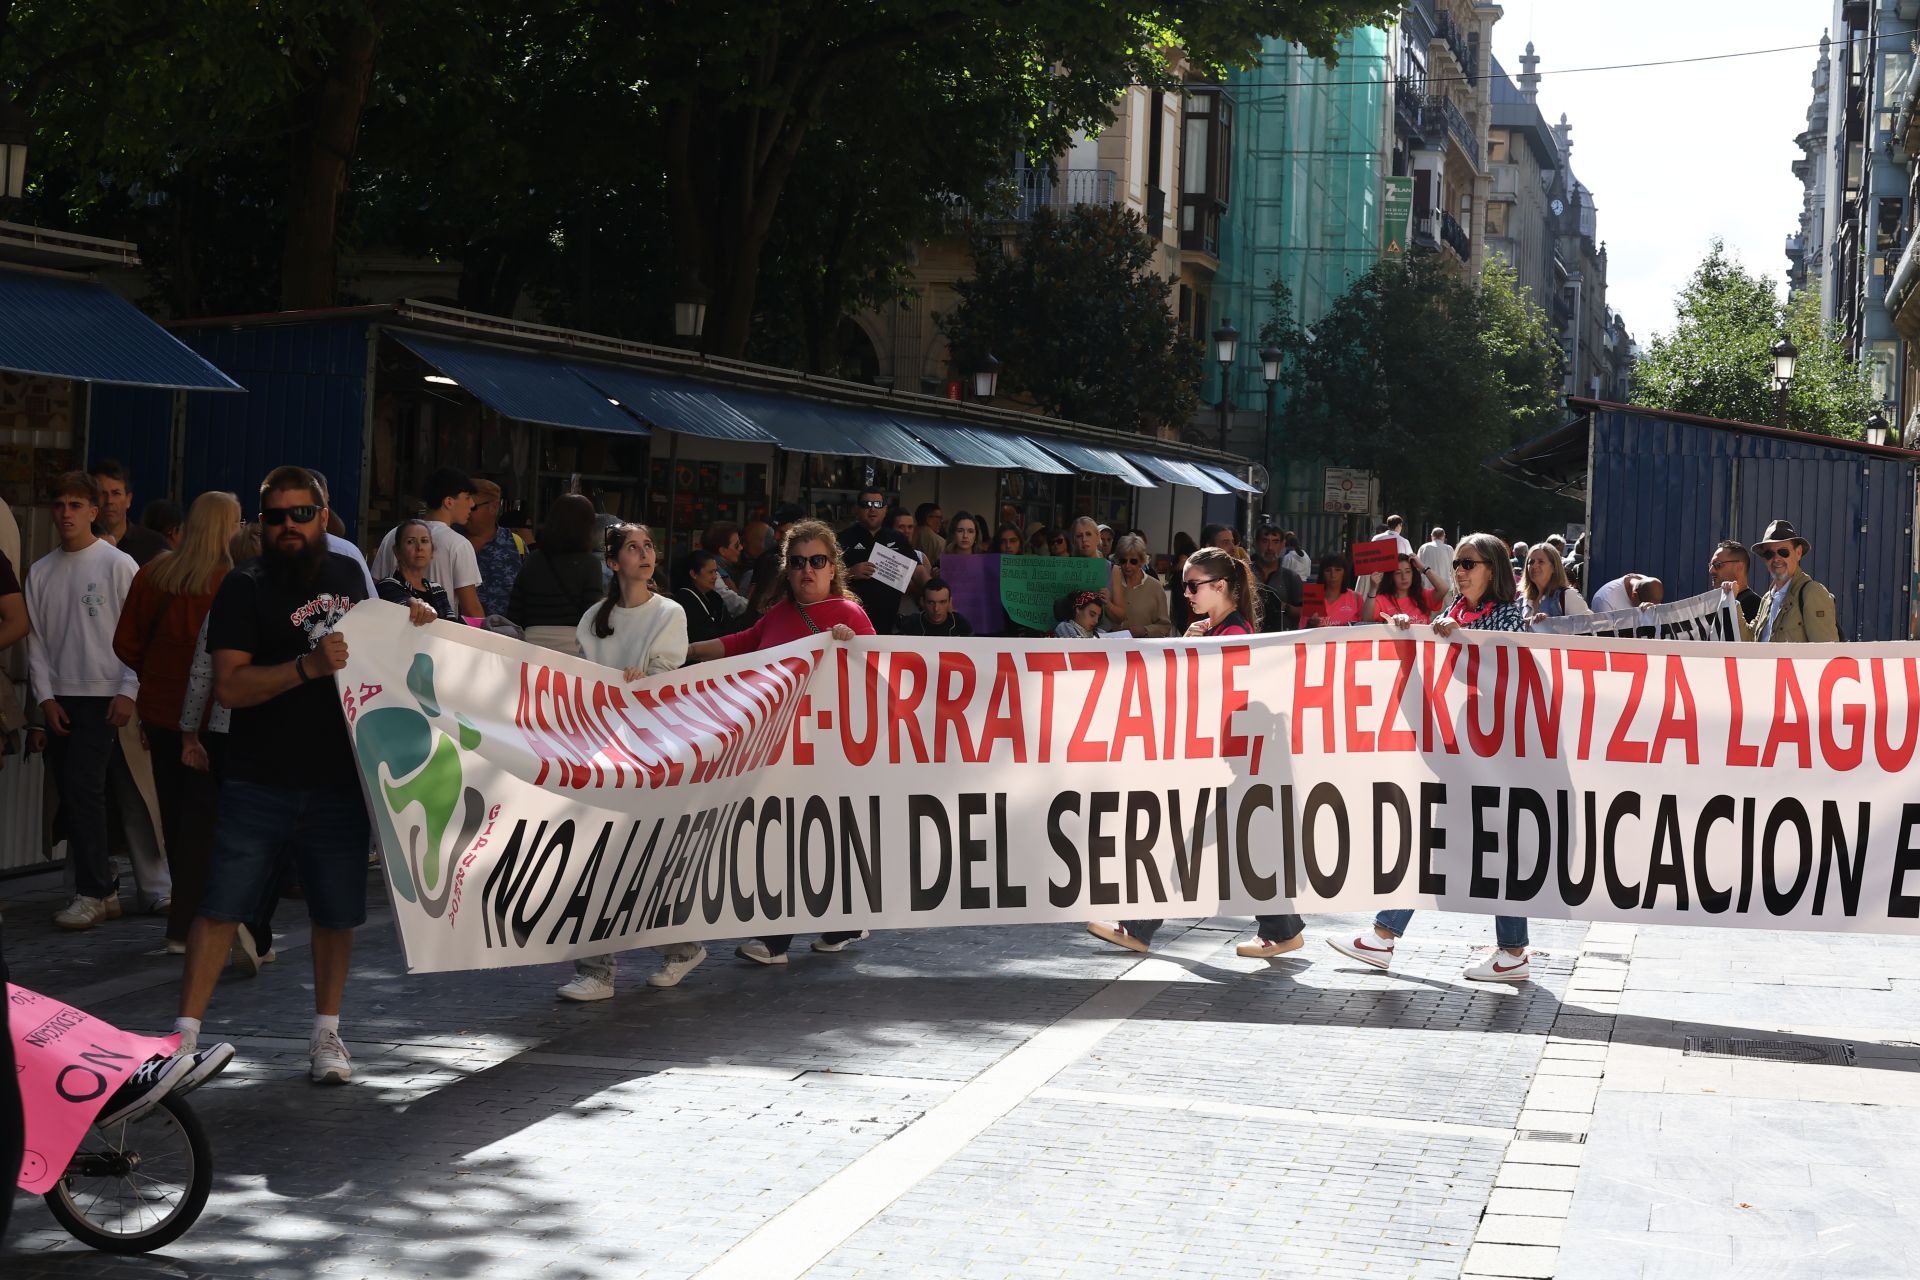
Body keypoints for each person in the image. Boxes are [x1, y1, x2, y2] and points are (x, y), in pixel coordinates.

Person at [169, 465, 436, 1086]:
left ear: (324, 515)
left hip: (340, 777)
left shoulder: (347, 574)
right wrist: (305, 668)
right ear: (260, 522)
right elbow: (230, 687)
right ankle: (183, 1037)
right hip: (258, 777)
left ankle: (327, 1034)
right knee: (221, 907)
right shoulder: (243, 586)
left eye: (301, 514)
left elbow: (380, 652)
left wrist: (414, 619)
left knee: (337, 914)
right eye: (275, 516)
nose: (288, 525)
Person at [1335, 531, 1534, 982]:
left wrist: (1459, 638)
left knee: (1469, 845)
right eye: (1457, 563)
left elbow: (1509, 669)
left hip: (1493, 753)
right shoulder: (1454, 610)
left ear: (1494, 570)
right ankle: (1505, 951)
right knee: (1449, 843)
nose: (1459, 571)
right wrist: (1409, 632)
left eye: (1469, 563)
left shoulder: (1509, 614)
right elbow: (1431, 661)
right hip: (1457, 749)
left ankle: (1389, 937)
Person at [1089, 549, 1305, 959]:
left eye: (1192, 586)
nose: (1185, 594)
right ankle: (1281, 928)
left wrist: (1191, 652)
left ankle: (1141, 926)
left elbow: (1216, 696)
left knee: (1197, 840)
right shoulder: (1217, 630)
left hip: (1226, 760)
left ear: (1219, 586)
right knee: (1222, 843)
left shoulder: (1232, 634)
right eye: (1183, 585)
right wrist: (1189, 647)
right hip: (1222, 759)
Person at [688, 521, 874, 964]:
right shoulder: (779, 614)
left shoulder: (849, 615)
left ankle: (777, 940)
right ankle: (843, 923)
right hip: (779, 747)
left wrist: (853, 646)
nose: (807, 570)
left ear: (833, 567)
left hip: (825, 751)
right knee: (796, 837)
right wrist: (686, 651)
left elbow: (878, 671)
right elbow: (743, 643)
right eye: (798, 562)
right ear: (787, 569)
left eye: (817, 561)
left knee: (795, 836)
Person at [557, 524, 697, 1001]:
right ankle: (597, 969)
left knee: (641, 854)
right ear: (614, 562)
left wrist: (644, 680)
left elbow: (667, 676)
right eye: (633, 548)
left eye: (649, 546)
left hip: (649, 748)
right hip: (599, 746)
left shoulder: (669, 612)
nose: (645, 554)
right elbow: (581, 676)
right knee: (593, 853)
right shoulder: (593, 617)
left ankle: (679, 947)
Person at [26, 472, 171, 929]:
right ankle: (102, 890)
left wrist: (129, 689)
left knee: (100, 792)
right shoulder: (40, 571)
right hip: (62, 698)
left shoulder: (118, 564)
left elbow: (142, 632)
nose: (66, 514)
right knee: (74, 796)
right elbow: (36, 642)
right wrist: (44, 698)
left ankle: (96, 891)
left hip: (108, 695)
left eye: (75, 505)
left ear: (93, 511)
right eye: (59, 505)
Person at [112, 491, 241, 951]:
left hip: (161, 712)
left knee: (175, 817)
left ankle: (184, 925)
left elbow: (125, 643)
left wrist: (155, 674)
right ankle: (197, 924)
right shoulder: (232, 582)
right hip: (214, 717)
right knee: (208, 823)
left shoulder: (153, 575)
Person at [370, 466, 483, 618]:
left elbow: (372, 592)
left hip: (391, 629)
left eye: (425, 542)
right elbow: (472, 610)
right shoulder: (459, 545)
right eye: (467, 497)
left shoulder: (393, 534)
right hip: (437, 632)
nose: (472, 504)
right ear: (449, 502)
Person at [506, 494, 605, 654]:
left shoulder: (533, 560)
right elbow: (591, 615)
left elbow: (515, 611)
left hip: (531, 644)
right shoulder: (590, 564)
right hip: (573, 646)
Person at [839, 488, 917, 633]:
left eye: (878, 504)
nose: (872, 509)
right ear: (857, 508)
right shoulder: (843, 538)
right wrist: (850, 573)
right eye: (867, 504)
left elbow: (919, 572)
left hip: (890, 623)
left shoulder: (898, 538)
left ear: (885, 509)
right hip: (851, 622)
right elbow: (826, 577)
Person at [1749, 519, 1839, 643]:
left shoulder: (1812, 593)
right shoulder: (1767, 598)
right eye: (1769, 554)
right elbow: (1747, 640)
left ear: (1798, 553)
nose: (1776, 558)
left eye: (1783, 552)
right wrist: (1731, 603)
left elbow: (1825, 651)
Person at [90, 459, 172, 566]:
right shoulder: (79, 543)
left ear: (128, 500)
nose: (109, 501)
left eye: (116, 493)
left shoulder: (154, 545)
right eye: (102, 493)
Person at [376, 519, 460, 620]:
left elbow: (450, 623)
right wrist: (411, 603)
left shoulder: (437, 589)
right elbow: (401, 604)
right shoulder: (387, 585)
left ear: (432, 551)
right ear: (397, 551)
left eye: (424, 541)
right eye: (410, 542)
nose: (419, 548)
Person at [465, 478, 524, 618]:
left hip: (504, 628)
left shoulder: (515, 544)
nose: (467, 511)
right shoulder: (451, 540)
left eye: (473, 507)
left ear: (494, 507)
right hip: (458, 628)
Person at [1104, 534, 1172, 637]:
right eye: (1123, 561)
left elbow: (1165, 626)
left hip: (1143, 645)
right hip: (1112, 644)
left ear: (1141, 561)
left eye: (1133, 561)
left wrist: (1145, 630)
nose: (1127, 565)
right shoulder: (1111, 581)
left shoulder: (1155, 587)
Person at [673, 549, 734, 645]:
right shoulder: (685, 600)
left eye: (715, 572)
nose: (715, 577)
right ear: (693, 574)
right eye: (710, 572)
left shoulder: (715, 597)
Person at [1522, 542, 1589, 625]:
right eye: (1531, 562)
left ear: (1554, 567)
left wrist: (1552, 622)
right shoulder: (1523, 599)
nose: (1534, 566)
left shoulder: (1567, 596)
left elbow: (1588, 627)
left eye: (1541, 562)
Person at [1365, 553, 1439, 623]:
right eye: (1398, 573)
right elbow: (1366, 619)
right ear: (1391, 576)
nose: (1404, 577)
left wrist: (1423, 568)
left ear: (1413, 574)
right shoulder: (1381, 600)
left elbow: (1443, 589)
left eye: (1408, 571)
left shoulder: (1422, 595)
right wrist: (1373, 588)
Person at [1707, 539, 1762, 626]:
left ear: (1739, 567)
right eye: (1710, 565)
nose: (1711, 570)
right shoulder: (1716, 604)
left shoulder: (1755, 605)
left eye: (1717, 565)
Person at [896, 578, 973, 637]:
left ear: (950, 602)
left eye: (942, 602)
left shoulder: (960, 624)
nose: (936, 609)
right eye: (931, 602)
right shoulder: (911, 624)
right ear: (922, 602)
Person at [1312, 552, 1363, 627]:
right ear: (1322, 574)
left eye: (1338, 570)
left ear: (1344, 573)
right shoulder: (1312, 597)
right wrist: (1310, 624)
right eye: (1328, 570)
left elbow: (1364, 628)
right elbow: (1302, 630)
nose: (1333, 575)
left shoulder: (1356, 598)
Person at [1589, 572, 1664, 613]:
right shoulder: (1605, 600)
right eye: (1646, 607)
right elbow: (1603, 636)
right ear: (1634, 595)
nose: (1651, 609)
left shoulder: (1649, 583)